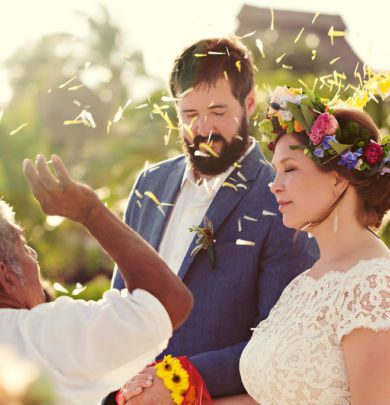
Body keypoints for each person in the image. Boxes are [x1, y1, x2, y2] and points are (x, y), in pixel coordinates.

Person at [109, 36, 318, 403]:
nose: (203, 129)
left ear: (249, 102)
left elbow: (279, 341)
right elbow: (118, 306)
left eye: (218, 112)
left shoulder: (282, 198)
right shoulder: (149, 185)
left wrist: (175, 382)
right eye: (189, 115)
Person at [238, 86, 390, 404]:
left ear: (338, 178)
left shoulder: (374, 285)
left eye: (290, 169)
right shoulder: (301, 285)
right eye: (275, 171)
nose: (274, 185)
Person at [0, 154, 193, 405]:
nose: (33, 255)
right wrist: (89, 211)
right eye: (24, 245)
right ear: (6, 276)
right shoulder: (44, 337)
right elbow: (168, 302)